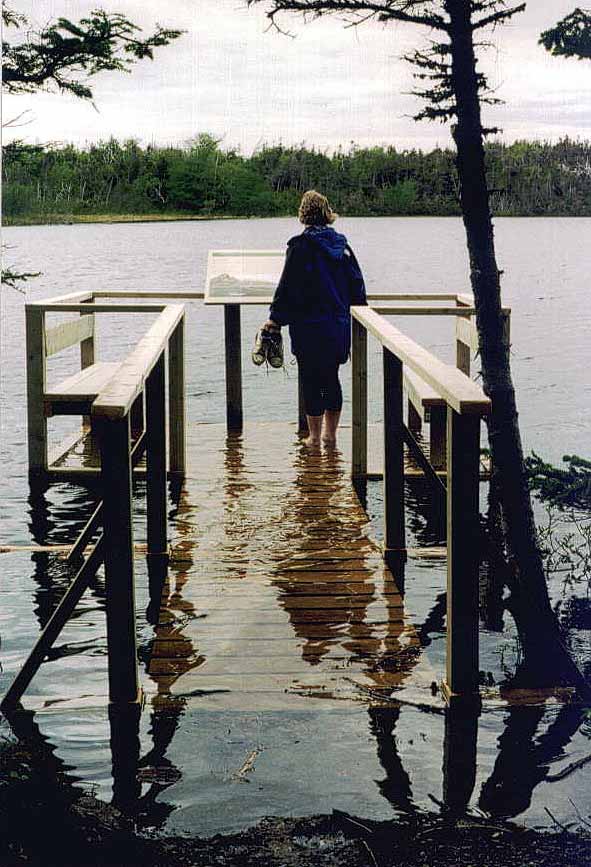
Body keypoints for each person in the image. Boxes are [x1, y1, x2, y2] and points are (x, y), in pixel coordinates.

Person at [262, 190, 367, 447]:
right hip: (337, 326)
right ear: (327, 213)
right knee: (331, 377)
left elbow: (287, 287)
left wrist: (275, 320)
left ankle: (314, 438)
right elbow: (357, 286)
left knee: (311, 380)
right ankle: (331, 435)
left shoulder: (300, 247)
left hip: (308, 326)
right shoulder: (343, 247)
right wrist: (359, 314)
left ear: (303, 214)